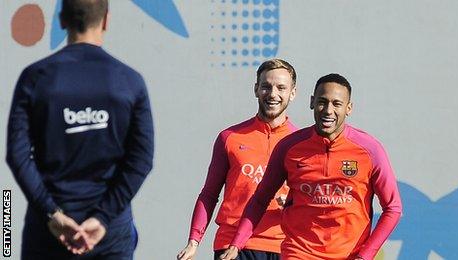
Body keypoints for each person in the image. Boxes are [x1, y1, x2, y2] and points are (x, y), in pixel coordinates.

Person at [5, 0, 154, 259]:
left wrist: (52, 214)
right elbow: (141, 160)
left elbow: (17, 155)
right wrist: (103, 218)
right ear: (106, 20)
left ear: (61, 21)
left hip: (48, 232)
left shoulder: (35, 78)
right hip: (109, 236)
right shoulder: (129, 82)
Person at [220, 73, 403, 260]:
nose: (328, 110)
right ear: (312, 102)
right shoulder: (289, 147)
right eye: (322, 102)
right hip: (299, 252)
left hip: (349, 255)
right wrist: (237, 243)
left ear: (349, 108)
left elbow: (393, 208)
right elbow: (260, 199)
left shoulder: (370, 150)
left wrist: (365, 256)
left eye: (337, 104)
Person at [176, 59, 298, 260]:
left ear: (292, 93)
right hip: (231, 246)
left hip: (283, 247)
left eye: (281, 88)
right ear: (256, 89)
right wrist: (194, 241)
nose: (273, 94)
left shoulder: (301, 144)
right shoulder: (230, 137)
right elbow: (209, 194)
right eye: (266, 86)